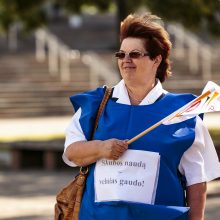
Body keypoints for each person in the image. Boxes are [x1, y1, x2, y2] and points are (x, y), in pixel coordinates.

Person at [63, 13, 220, 220]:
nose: (125, 60)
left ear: (157, 59)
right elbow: (72, 153)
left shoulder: (184, 113)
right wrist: (101, 148)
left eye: (135, 54)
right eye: (121, 54)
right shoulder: (95, 104)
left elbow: (196, 183)